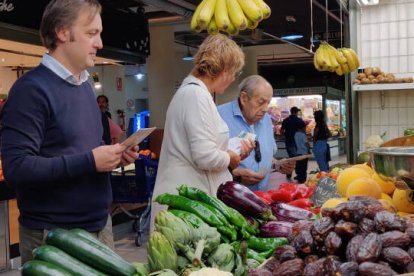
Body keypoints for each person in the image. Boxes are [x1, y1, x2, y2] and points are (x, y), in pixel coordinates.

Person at [0, 0, 139, 264]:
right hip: (55, 236)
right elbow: (16, 168)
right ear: (63, 32)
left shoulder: (85, 87)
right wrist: (90, 161)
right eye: (91, 33)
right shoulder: (31, 90)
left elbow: (84, 153)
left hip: (100, 226)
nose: (99, 43)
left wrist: (113, 157)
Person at [151, 34, 254, 223]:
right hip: (188, 204)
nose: (232, 79)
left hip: (190, 201)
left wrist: (232, 148)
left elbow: (202, 146)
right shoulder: (195, 96)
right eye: (234, 72)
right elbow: (205, 157)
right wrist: (231, 157)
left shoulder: (195, 94)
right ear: (223, 69)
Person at [218, 75, 295, 191]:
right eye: (261, 102)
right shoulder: (218, 116)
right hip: (229, 198)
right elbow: (206, 161)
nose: (265, 109)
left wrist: (277, 165)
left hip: (262, 197)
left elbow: (267, 155)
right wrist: (235, 175)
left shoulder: (267, 120)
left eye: (268, 103)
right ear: (244, 98)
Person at [281, 106, 305, 179]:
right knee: (298, 158)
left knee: (291, 158)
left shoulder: (286, 120)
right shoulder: (299, 120)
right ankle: (298, 174)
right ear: (296, 112)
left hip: (289, 141)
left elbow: (281, 131)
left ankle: (289, 173)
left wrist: (285, 135)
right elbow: (303, 131)